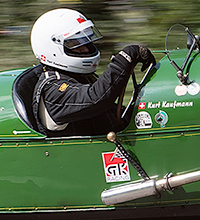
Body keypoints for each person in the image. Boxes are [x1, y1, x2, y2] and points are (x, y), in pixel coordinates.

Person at [30, 8, 154, 136]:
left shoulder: (77, 75)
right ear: (53, 48)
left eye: (86, 41)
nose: (85, 49)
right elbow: (96, 98)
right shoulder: (53, 90)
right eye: (75, 43)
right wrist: (125, 58)